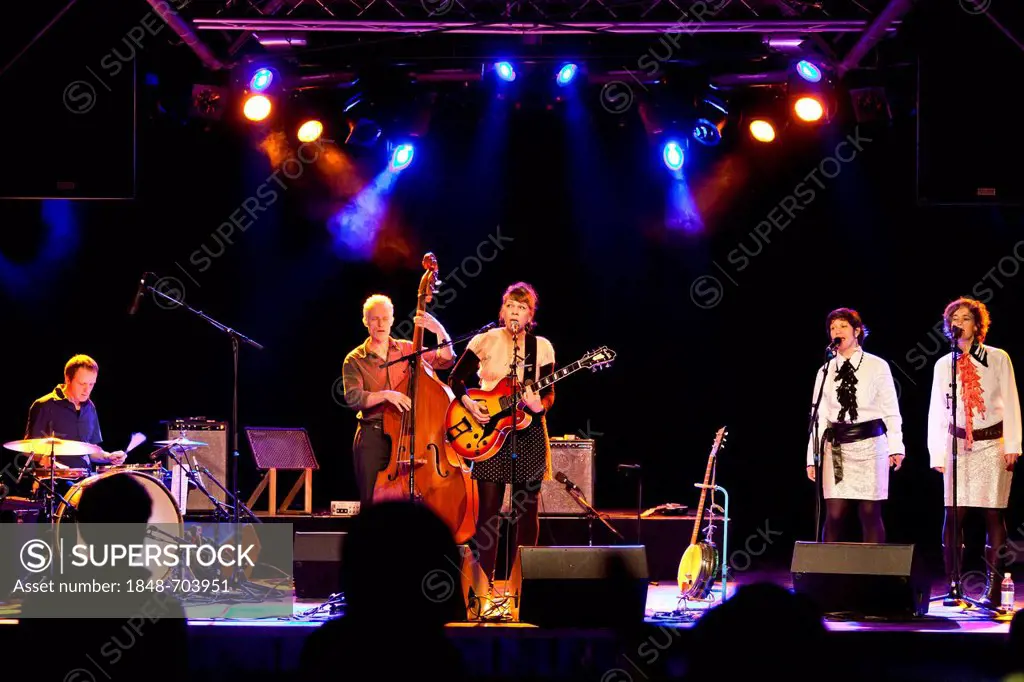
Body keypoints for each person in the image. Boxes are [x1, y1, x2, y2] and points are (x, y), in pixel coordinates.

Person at [448, 282, 555, 587]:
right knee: (489, 513)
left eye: (521, 308)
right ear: (502, 309)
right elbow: (456, 378)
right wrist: (469, 404)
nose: (515, 312)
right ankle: (484, 583)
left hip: (528, 430)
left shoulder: (542, 347)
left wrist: (540, 404)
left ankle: (523, 583)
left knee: (526, 509)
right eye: (510, 306)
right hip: (486, 429)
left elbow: (549, 393)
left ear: (530, 315)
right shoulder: (484, 340)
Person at [927, 297, 1020, 608]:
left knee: (993, 513)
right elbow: (938, 411)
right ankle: (954, 583)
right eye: (955, 318)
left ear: (977, 324)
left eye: (965, 318)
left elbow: (1011, 401)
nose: (959, 323)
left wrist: (1013, 445)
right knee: (954, 513)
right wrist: (936, 453)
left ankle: (994, 587)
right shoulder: (944, 364)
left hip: (992, 444)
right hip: (958, 447)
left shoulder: (998, 358)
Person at [341, 294, 455, 506]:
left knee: (409, 502)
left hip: (407, 435)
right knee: (372, 501)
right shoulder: (355, 358)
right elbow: (353, 397)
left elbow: (445, 360)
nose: (381, 323)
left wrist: (439, 330)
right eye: (374, 318)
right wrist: (386, 395)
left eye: (385, 318)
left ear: (392, 320)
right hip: (372, 435)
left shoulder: (407, 349)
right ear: (366, 321)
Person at [806, 308, 905, 543]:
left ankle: (874, 575)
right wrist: (812, 457)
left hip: (871, 445)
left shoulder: (877, 366)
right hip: (837, 448)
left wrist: (896, 446)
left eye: (842, 326)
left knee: (870, 512)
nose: (836, 331)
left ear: (857, 331)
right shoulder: (825, 370)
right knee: (835, 513)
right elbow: (818, 416)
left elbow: (891, 410)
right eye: (832, 328)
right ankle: (827, 575)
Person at [24, 354, 127, 472]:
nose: (87, 390)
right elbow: (27, 450)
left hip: (84, 478)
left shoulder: (90, 407)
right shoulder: (44, 405)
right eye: (82, 384)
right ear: (68, 379)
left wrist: (108, 456)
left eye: (91, 384)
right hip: (56, 479)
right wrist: (44, 458)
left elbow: (90, 451)